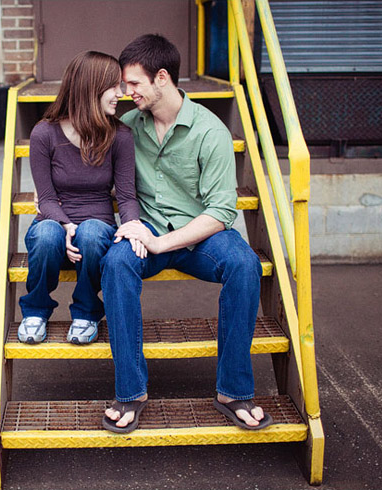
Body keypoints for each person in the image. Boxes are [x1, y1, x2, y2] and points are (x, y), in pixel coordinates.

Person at [100, 34, 273, 433]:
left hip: (201, 235)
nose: (127, 92)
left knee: (245, 264)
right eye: (125, 86)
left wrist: (161, 242)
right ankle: (131, 392)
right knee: (116, 264)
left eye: (134, 84)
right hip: (146, 230)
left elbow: (221, 211)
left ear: (162, 78)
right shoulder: (127, 127)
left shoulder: (209, 132)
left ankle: (234, 390)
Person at [18, 51, 143, 345]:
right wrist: (64, 225)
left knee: (91, 233)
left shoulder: (120, 136)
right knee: (46, 234)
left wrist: (133, 226)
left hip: (96, 228)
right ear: (91, 89)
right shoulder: (44, 134)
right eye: (113, 87)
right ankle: (35, 310)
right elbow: (46, 198)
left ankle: (86, 313)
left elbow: (125, 196)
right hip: (53, 221)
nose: (120, 94)